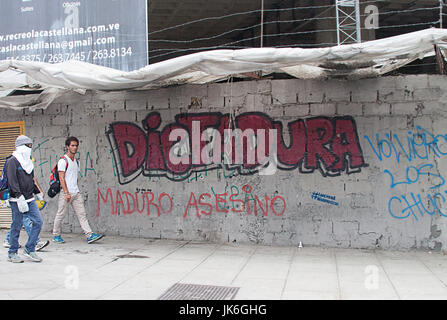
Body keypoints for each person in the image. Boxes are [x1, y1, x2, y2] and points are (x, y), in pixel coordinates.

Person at [52, 136, 104, 244]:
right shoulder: (63, 161)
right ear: (67, 147)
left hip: (76, 192)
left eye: (76, 146)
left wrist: (75, 190)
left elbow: (74, 177)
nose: (75, 148)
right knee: (61, 214)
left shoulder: (76, 162)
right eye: (72, 145)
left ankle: (89, 235)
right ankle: (56, 235)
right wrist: (66, 192)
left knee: (82, 214)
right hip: (66, 193)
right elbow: (61, 178)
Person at [6, 135, 44, 263]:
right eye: (28, 145)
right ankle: (12, 252)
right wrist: (18, 196)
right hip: (17, 200)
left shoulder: (28, 161)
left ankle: (30, 248)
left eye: (31, 145)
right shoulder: (12, 161)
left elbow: (30, 179)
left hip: (29, 198)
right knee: (16, 225)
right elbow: (12, 180)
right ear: (21, 146)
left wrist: (37, 192)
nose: (30, 148)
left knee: (38, 222)